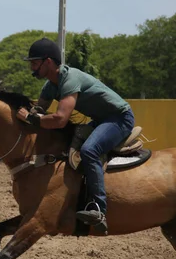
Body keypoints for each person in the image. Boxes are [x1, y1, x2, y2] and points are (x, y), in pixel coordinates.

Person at [17, 37, 135, 235]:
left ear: (48, 62)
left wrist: (30, 118)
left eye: (35, 63)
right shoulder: (50, 85)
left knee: (89, 151)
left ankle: (99, 209)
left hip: (119, 119)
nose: (32, 68)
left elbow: (60, 119)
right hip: (100, 120)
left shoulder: (70, 79)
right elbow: (39, 110)